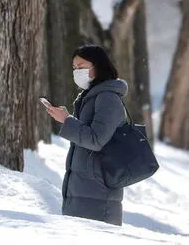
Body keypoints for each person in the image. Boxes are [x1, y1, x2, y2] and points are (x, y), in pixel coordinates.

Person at [45, 45, 128, 226]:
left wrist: (67, 121)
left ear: (98, 66)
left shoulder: (108, 97)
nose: (77, 72)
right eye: (74, 68)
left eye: (81, 67)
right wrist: (69, 120)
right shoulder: (91, 96)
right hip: (84, 191)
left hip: (98, 194)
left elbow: (96, 139)